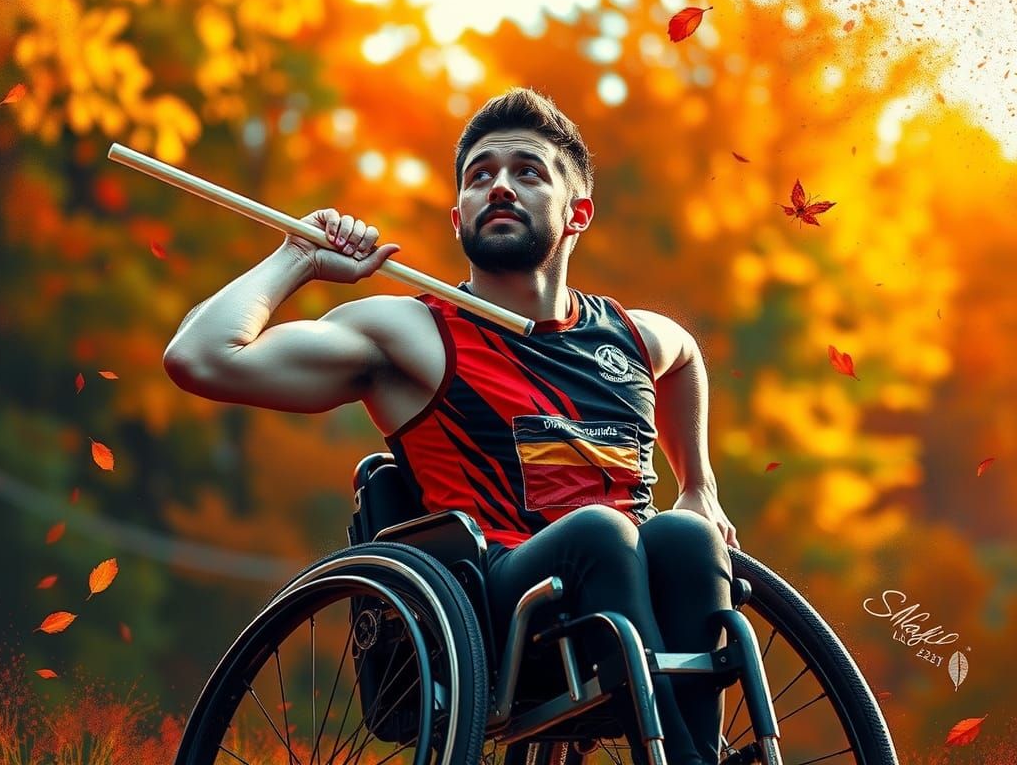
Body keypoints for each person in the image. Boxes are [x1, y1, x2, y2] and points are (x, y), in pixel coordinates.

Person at [162, 87, 738, 765]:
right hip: (498, 618)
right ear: (457, 213)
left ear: (578, 212)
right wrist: (300, 258)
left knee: (685, 534)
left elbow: (686, 362)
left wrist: (698, 484)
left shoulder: (636, 337)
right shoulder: (412, 335)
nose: (498, 186)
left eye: (527, 172)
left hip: (633, 605)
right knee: (601, 531)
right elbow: (199, 358)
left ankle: (694, 750)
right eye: (479, 176)